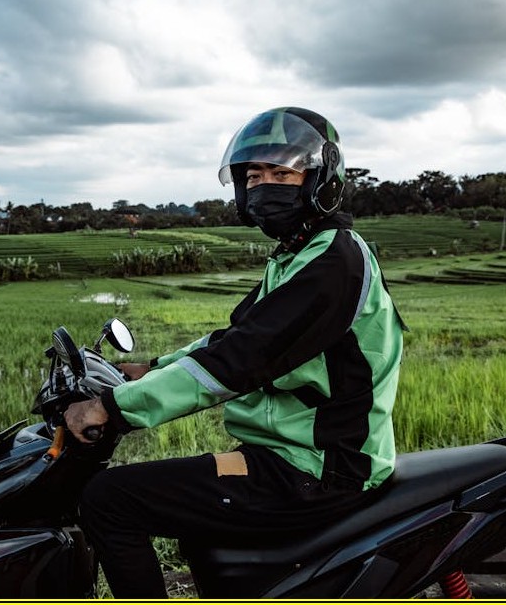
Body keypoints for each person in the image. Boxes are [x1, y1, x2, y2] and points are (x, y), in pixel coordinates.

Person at [65, 106, 405, 598]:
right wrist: (150, 368)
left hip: (316, 470)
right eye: (254, 174)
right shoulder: (301, 252)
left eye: (282, 172)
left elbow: (241, 359)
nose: (265, 184)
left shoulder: (333, 261)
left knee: (109, 498)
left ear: (319, 179)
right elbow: (235, 337)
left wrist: (113, 408)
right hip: (290, 457)